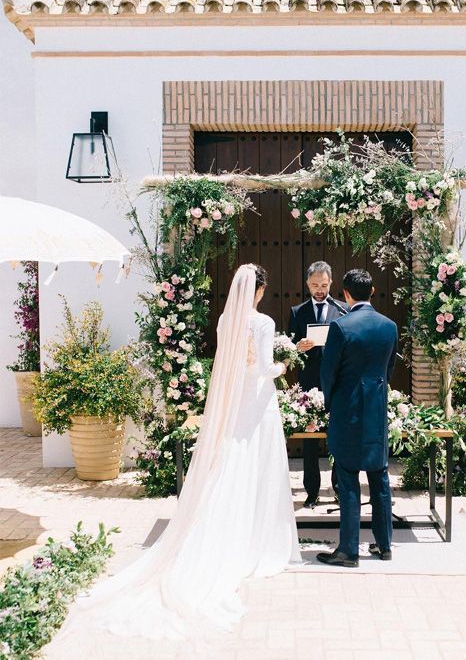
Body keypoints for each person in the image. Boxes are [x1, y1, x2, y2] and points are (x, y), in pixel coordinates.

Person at [44, 264, 300, 659]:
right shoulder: (263, 322)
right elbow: (262, 368)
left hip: (236, 406)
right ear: (261, 290)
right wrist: (285, 363)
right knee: (258, 467)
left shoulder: (225, 321)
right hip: (258, 406)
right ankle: (256, 540)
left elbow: (233, 366)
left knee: (232, 466)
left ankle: (228, 533)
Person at [318, 268, 398, 568]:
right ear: (373, 291)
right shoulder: (390, 326)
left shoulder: (340, 327)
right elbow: (388, 370)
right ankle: (385, 545)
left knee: (348, 478)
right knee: (380, 476)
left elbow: (329, 373)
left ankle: (349, 550)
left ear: (346, 294)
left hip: (347, 410)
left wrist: (330, 402)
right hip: (376, 409)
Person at [287, 261, 346, 507]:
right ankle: (311, 492)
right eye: (314, 285)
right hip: (309, 384)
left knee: (338, 437)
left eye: (323, 285)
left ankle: (339, 488)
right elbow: (289, 349)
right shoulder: (297, 312)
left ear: (331, 283)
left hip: (336, 383)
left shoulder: (342, 310)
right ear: (307, 284)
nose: (319, 290)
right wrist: (298, 348)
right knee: (310, 439)